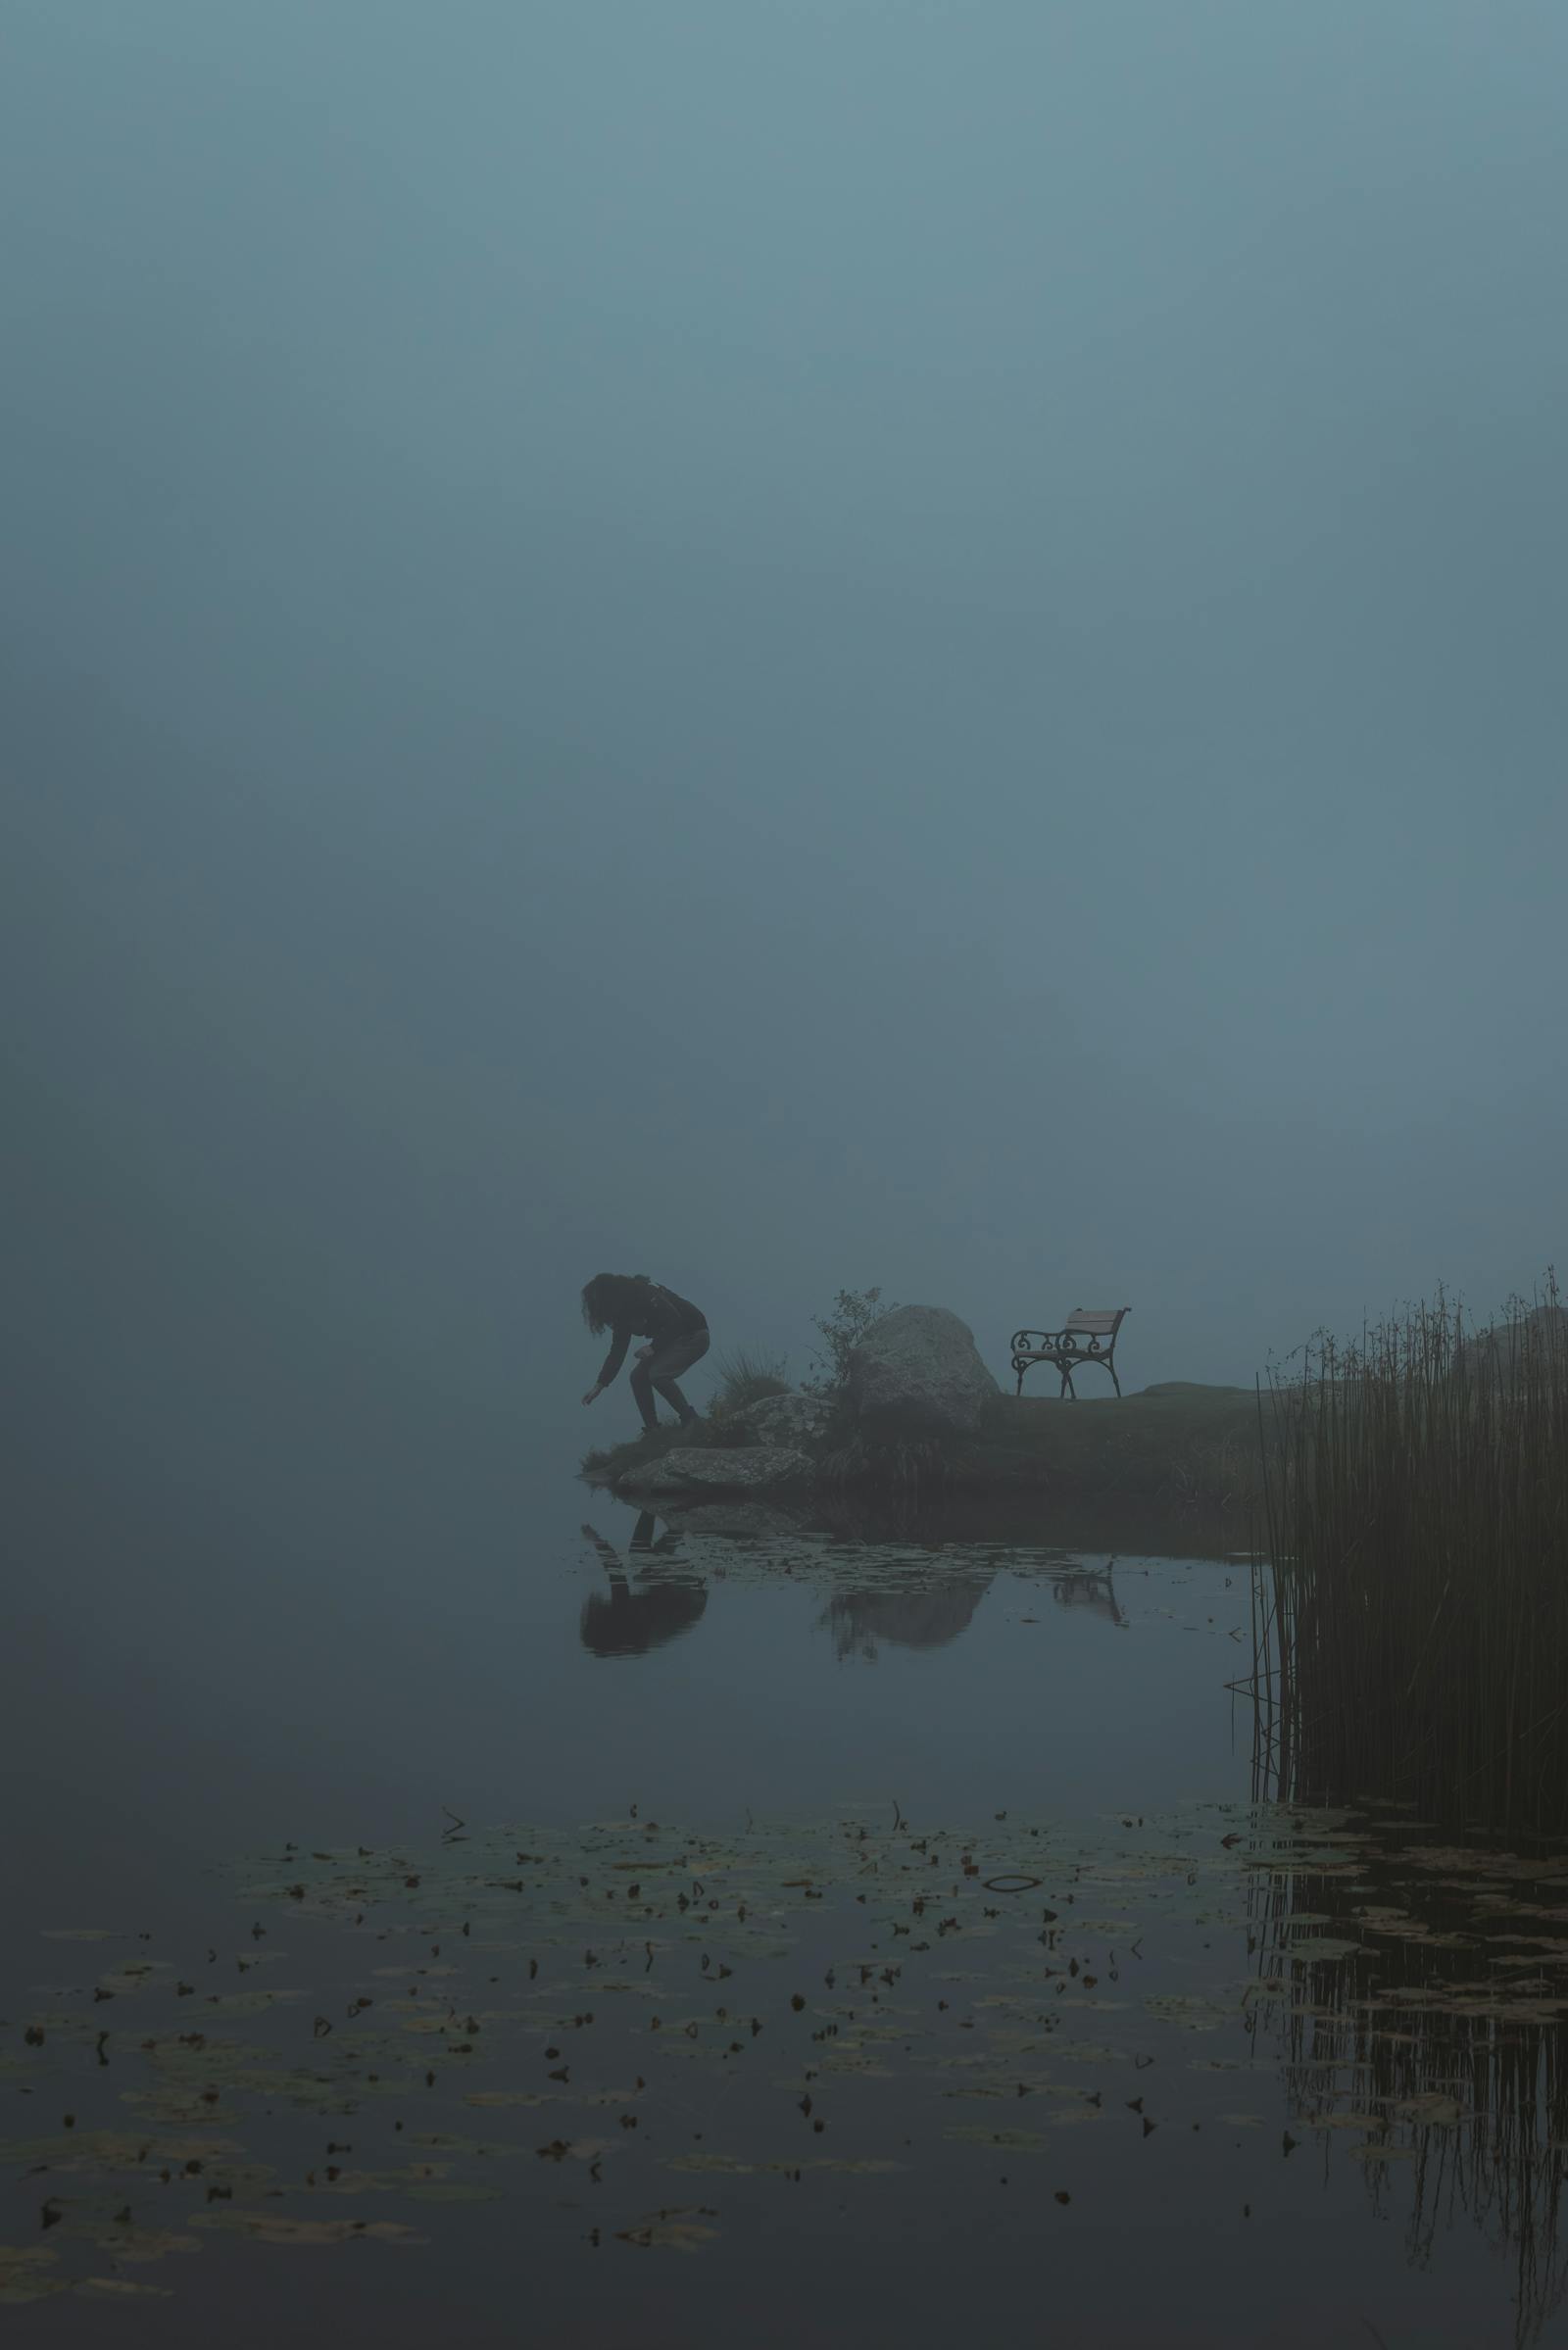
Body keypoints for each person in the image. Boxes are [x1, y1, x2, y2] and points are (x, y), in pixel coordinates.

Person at [580, 1272, 710, 1436]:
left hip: (694, 1334)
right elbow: (617, 1350)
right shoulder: (621, 1314)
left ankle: (691, 1420)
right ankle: (653, 1431)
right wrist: (600, 1384)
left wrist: (653, 1347)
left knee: (658, 1374)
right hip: (671, 1340)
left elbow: (675, 1321)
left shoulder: (644, 1293)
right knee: (638, 1377)